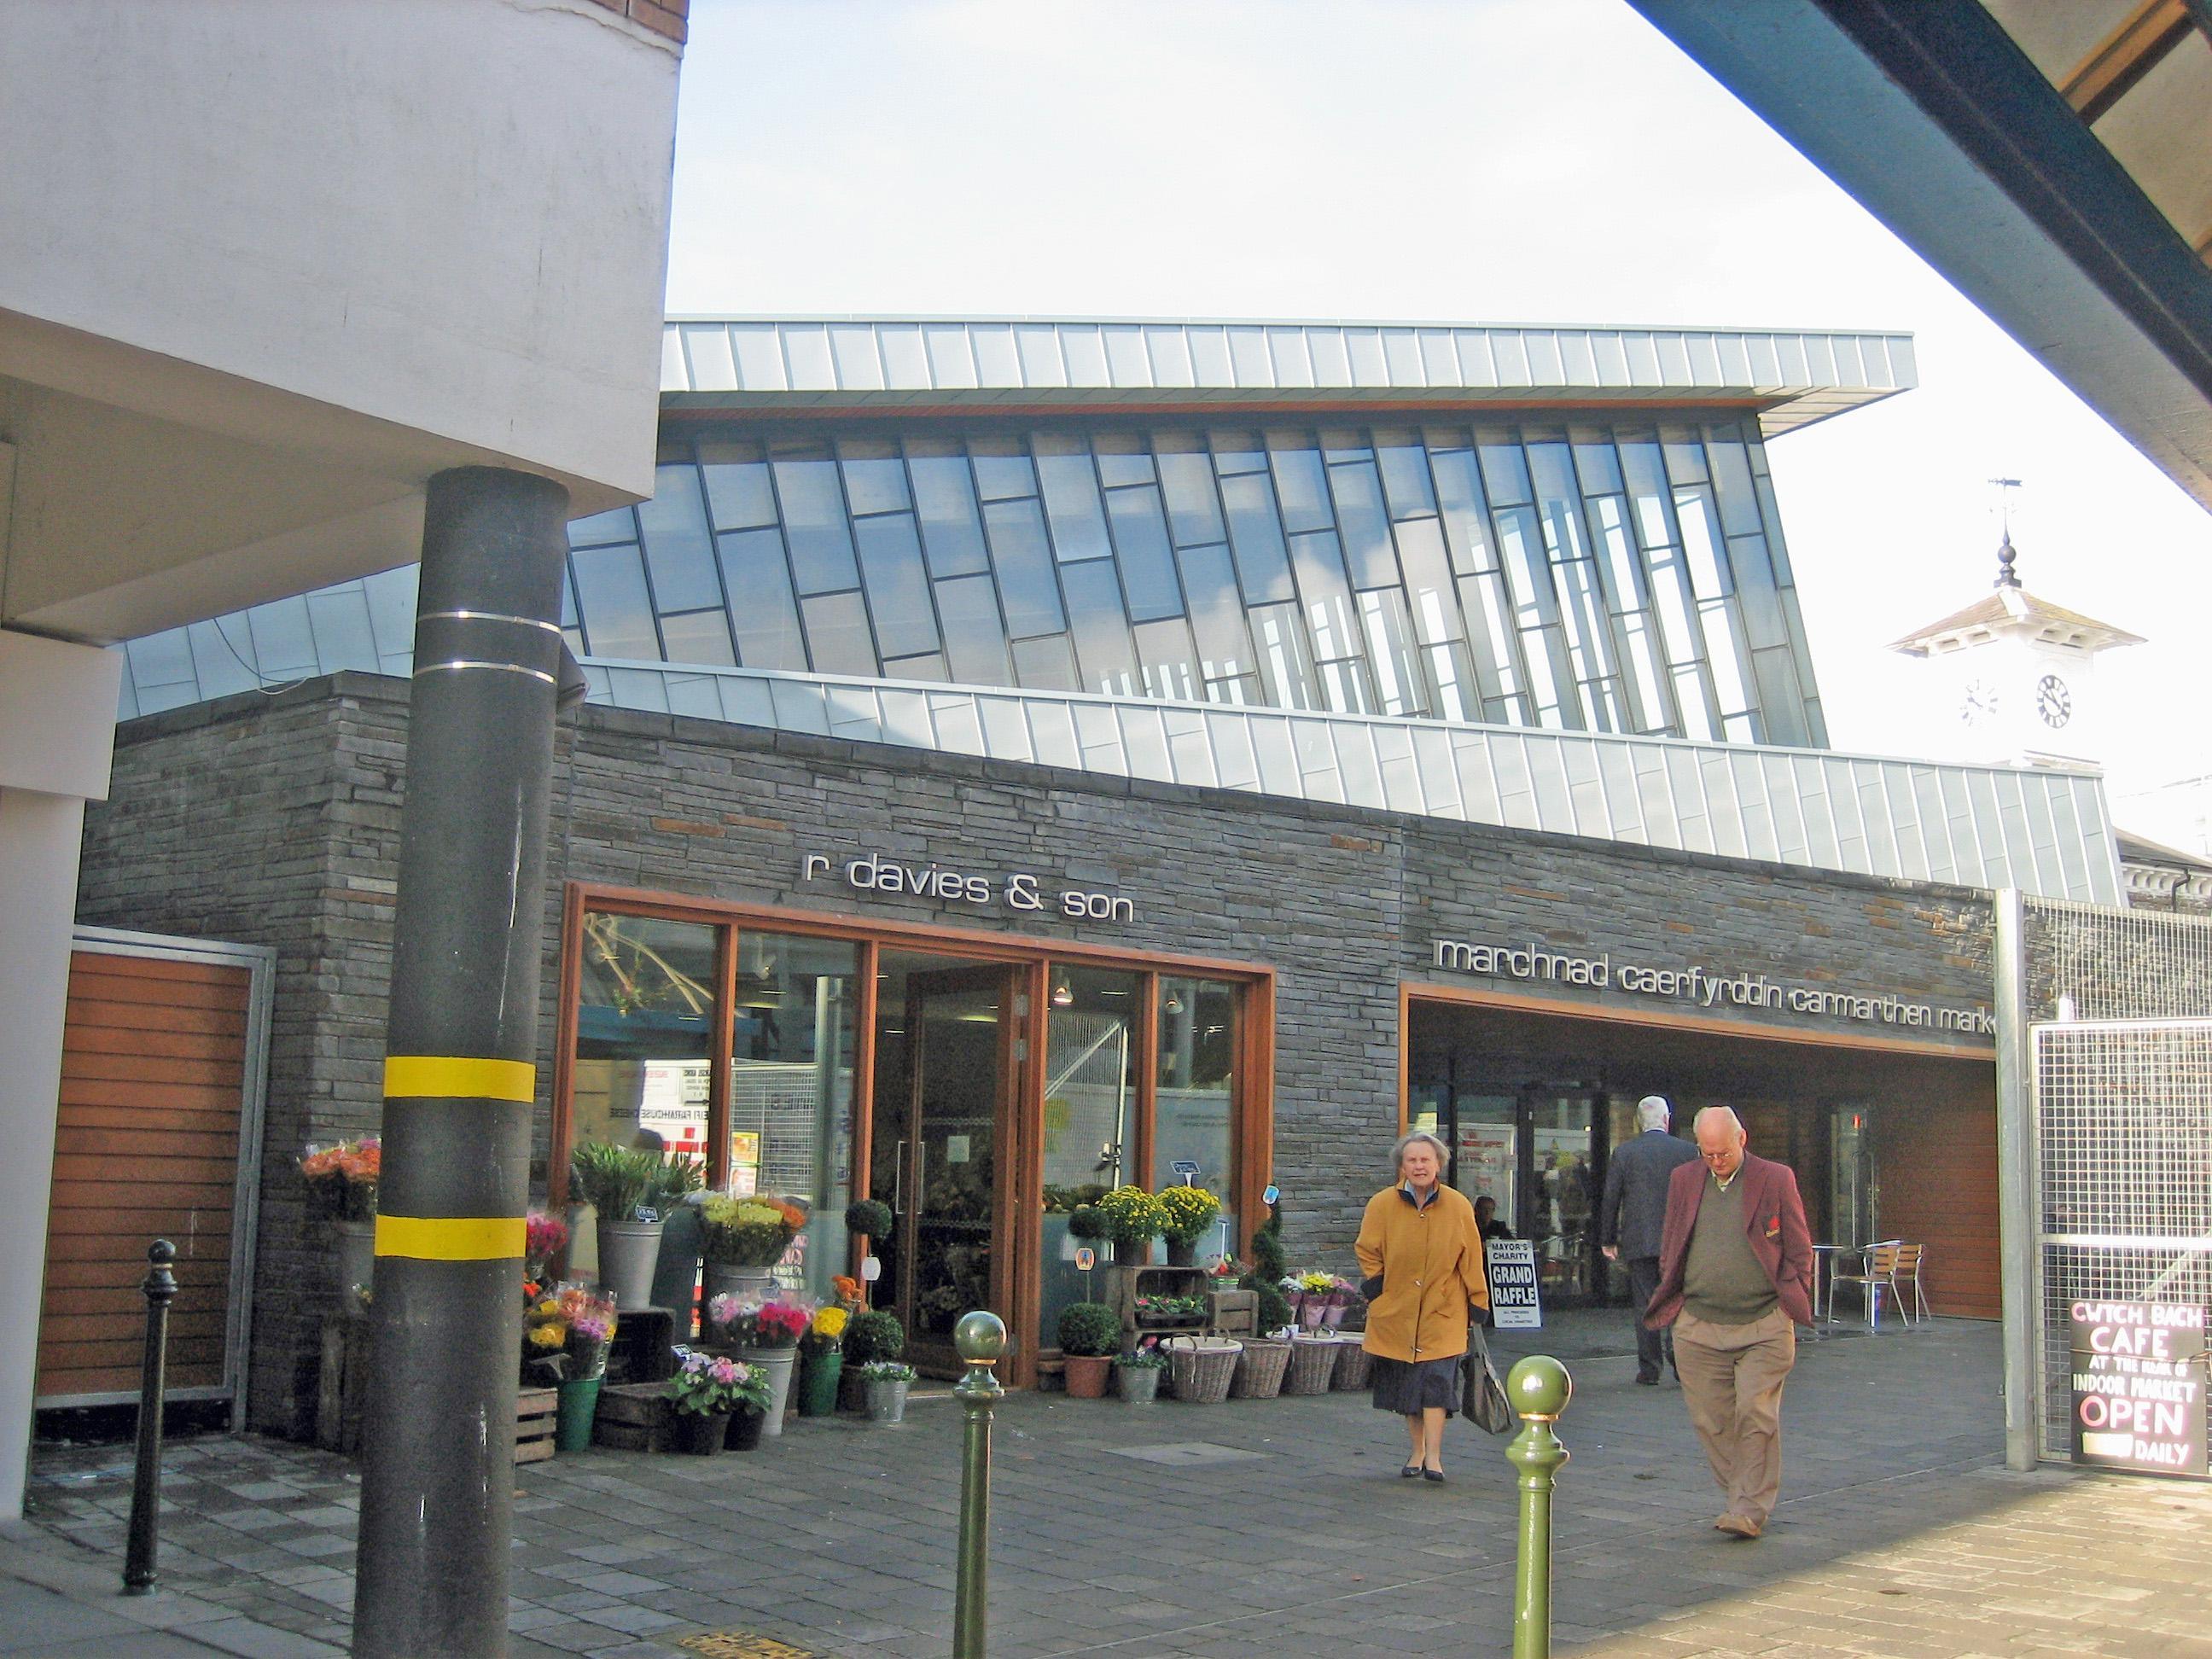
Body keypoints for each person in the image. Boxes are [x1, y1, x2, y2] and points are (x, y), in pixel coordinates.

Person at [1643, 1106, 1814, 1540]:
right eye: (1707, 1154)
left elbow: (1798, 1246)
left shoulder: (1775, 1178)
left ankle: (1747, 1508)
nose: (1715, 1161)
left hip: (1764, 1322)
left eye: (1722, 1153)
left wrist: (1792, 1297)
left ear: (1742, 1139)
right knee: (1712, 1421)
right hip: (1698, 1324)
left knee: (1756, 1414)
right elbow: (1673, 1241)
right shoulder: (1684, 1179)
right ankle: (1740, 1495)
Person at [1356, 1130, 1491, 1483]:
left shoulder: (1459, 1205)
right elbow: (1367, 1250)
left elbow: (1472, 1257)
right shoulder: (1381, 1204)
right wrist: (1377, 1286)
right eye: (1412, 1160)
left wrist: (1478, 1300)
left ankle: (1434, 1458)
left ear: (1439, 1165)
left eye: (1426, 1160)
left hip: (1443, 1311)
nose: (1419, 1166)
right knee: (1409, 1390)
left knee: (1435, 1385)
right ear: (1402, 1165)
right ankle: (1416, 1451)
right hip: (1397, 1311)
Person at [1599, 1095, 1701, 1384]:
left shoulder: (1624, 1153)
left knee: (1645, 1303)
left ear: (1638, 1124)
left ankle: (1650, 1368)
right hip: (1679, 1242)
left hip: (1639, 1240)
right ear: (1666, 1120)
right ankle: (1681, 1361)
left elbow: (1611, 1198)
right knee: (1680, 1300)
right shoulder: (1687, 1151)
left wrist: (1608, 1239)